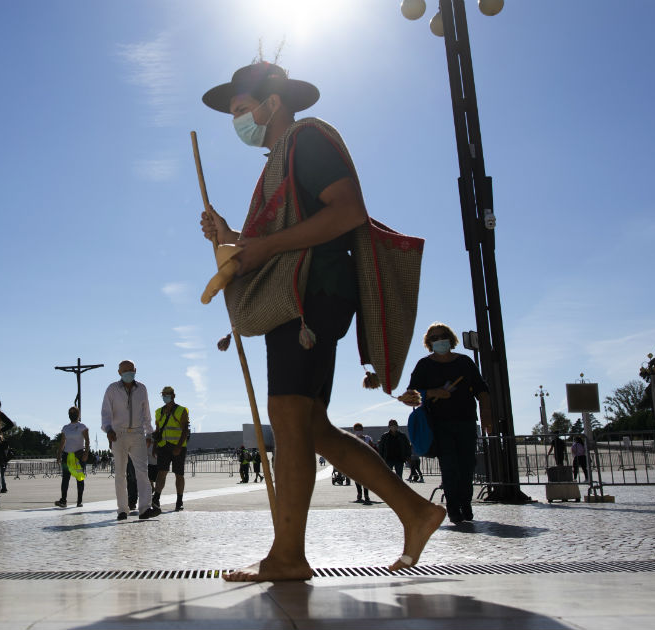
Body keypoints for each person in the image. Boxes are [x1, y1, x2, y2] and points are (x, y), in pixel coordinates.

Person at [200, 61, 447, 580]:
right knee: (311, 426)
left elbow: (347, 211)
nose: (237, 120)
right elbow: (276, 240)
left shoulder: (306, 139)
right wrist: (230, 236)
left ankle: (288, 556)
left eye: (242, 108)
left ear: (273, 103)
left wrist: (262, 246)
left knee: (289, 420)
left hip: (308, 299)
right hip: (306, 297)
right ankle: (415, 511)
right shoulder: (280, 159)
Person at [406, 322, 494, 524]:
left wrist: (487, 415)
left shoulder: (464, 362)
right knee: (449, 466)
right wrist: (433, 392)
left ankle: (466, 503)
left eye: (442, 336)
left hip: (466, 421)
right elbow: (411, 394)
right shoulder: (424, 365)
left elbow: (481, 389)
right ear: (429, 343)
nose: (439, 341)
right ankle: (454, 508)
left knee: (467, 465)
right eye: (434, 338)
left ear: (450, 339)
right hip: (439, 424)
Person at [100, 360, 160, 521]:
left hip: (138, 434)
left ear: (135, 370)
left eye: (131, 370)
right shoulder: (112, 389)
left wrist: (149, 433)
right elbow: (106, 412)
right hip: (118, 434)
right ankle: (122, 510)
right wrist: (108, 429)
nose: (129, 373)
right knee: (120, 473)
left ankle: (145, 508)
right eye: (125, 371)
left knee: (142, 472)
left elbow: (146, 413)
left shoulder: (142, 388)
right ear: (119, 373)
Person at [151, 386, 191, 511]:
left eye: (167, 394)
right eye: (163, 394)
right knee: (161, 472)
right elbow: (157, 431)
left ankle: (179, 501)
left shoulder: (181, 410)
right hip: (163, 446)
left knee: (179, 474)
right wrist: (154, 446)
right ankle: (156, 498)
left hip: (178, 447)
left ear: (173, 395)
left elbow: (185, 430)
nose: (165, 397)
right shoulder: (159, 411)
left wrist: (178, 447)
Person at [56, 406, 90, 508]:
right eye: (70, 413)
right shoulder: (65, 428)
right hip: (67, 456)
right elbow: (62, 442)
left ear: (78, 414)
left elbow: (87, 441)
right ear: (68, 415)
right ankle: (63, 500)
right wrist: (59, 455)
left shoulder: (82, 427)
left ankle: (79, 501)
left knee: (79, 478)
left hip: (78, 456)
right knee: (65, 479)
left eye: (74, 413)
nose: (72, 414)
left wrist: (86, 453)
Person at [352, 424, 374, 505]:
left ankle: (366, 494)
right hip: (356, 462)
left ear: (362, 430)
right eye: (357, 430)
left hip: (366, 462)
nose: (358, 431)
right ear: (354, 431)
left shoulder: (367, 439)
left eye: (360, 429)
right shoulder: (352, 439)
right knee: (357, 479)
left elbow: (373, 449)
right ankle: (359, 493)